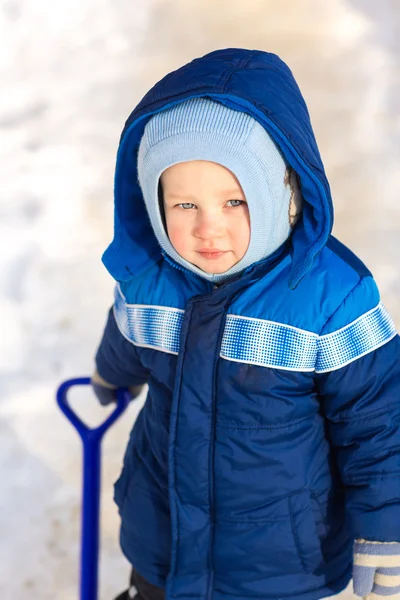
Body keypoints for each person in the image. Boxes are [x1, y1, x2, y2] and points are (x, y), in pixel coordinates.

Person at [91, 48, 400, 600]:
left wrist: (386, 528)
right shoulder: (149, 282)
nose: (209, 229)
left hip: (278, 564)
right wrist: (110, 375)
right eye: (184, 205)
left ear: (284, 194)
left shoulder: (329, 300)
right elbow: (127, 335)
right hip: (162, 536)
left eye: (234, 201)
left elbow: (380, 424)